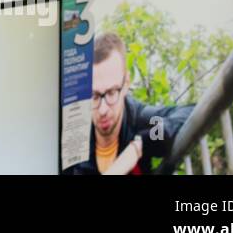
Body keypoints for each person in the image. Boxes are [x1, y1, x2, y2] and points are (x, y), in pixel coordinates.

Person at [65, 32, 195, 175]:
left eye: (111, 93)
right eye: (94, 96)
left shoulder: (138, 119)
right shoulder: (74, 137)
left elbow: (189, 114)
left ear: (126, 83)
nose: (102, 110)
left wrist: (139, 145)